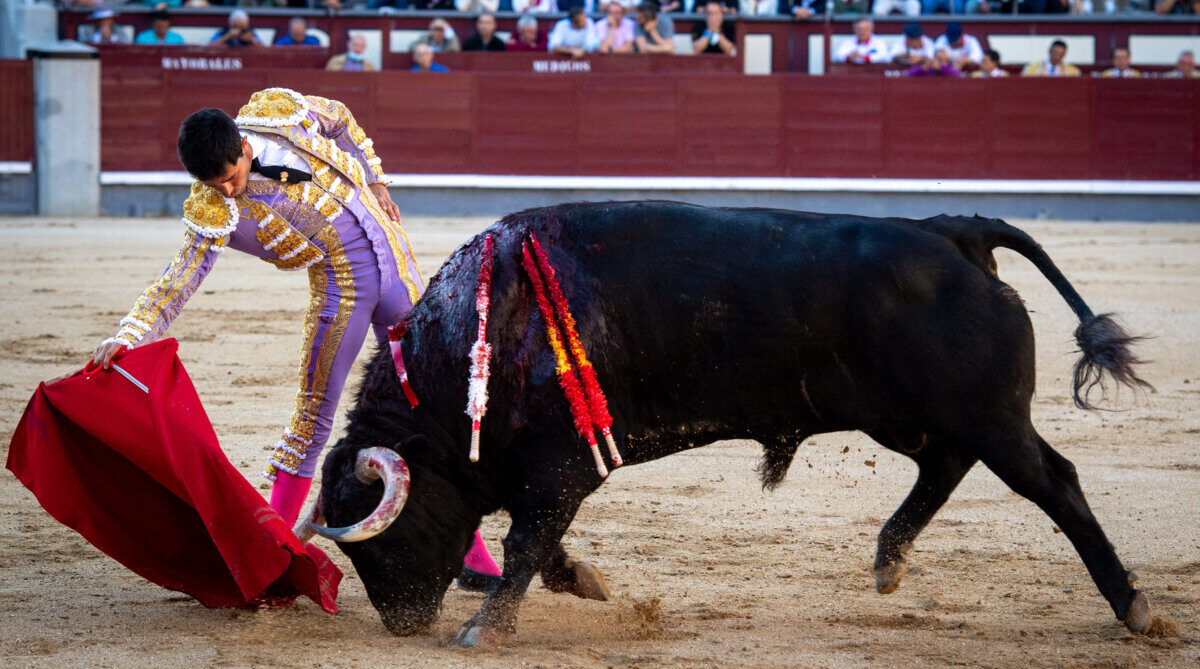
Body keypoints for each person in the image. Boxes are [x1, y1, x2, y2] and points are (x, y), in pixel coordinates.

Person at [92, 88, 503, 591]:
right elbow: (179, 279)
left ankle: (472, 556)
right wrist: (130, 335)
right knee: (314, 417)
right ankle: (272, 556)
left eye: (231, 179)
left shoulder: (276, 112)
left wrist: (374, 179)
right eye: (214, 185)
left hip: (396, 263)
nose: (227, 193)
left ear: (244, 146)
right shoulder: (212, 210)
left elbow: (343, 120)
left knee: (431, 406)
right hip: (342, 288)